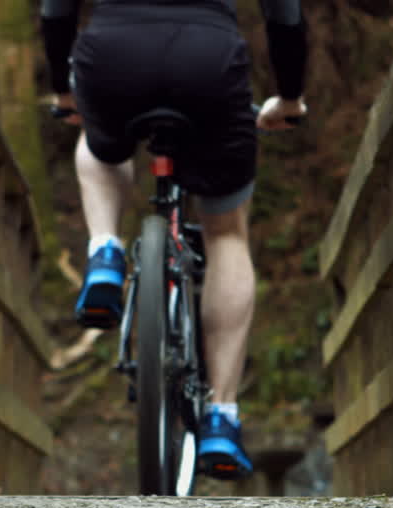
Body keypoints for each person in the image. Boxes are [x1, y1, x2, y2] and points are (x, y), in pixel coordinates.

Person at [41, 0, 307, 479]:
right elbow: (284, 14)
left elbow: (56, 9)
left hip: (114, 53)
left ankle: (105, 252)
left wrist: (63, 90)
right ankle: (221, 416)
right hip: (207, 62)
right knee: (226, 234)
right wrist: (289, 98)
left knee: (99, 144)